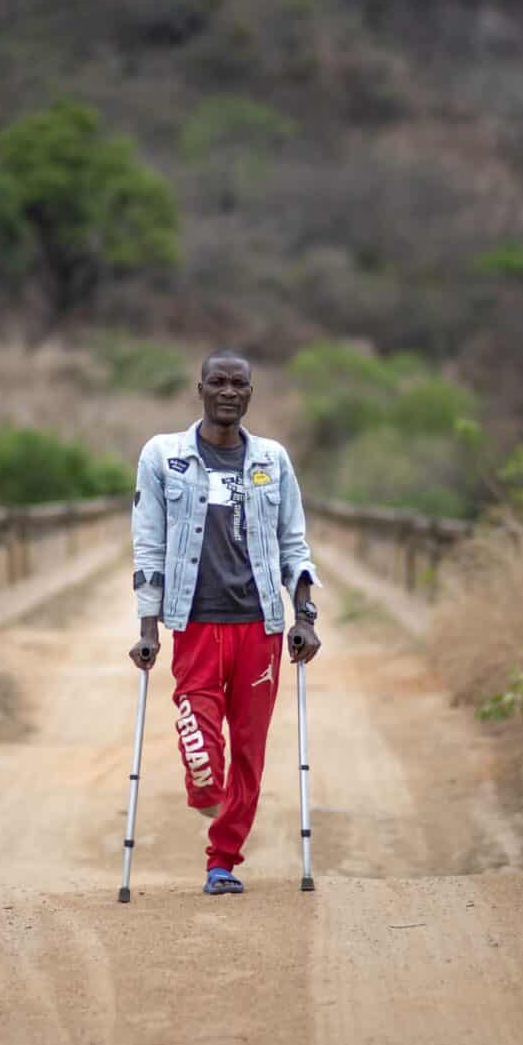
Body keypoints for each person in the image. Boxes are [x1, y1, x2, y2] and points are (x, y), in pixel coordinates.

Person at [128, 349, 321, 895]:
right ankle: (202, 789)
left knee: (250, 751)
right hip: (193, 621)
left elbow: (293, 542)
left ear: (250, 394)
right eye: (219, 382)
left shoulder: (272, 460)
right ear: (201, 389)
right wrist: (148, 629)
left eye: (239, 384)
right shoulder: (165, 457)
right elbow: (149, 543)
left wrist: (303, 614)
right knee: (204, 748)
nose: (229, 391)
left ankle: (223, 861)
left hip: (259, 624)